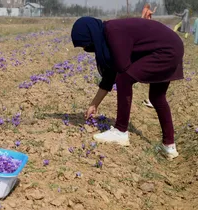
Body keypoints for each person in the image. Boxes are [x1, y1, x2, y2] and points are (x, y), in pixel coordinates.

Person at [71, 17, 184, 160]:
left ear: (91, 35)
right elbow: (109, 75)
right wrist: (94, 104)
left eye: (86, 44)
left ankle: (120, 131)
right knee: (157, 97)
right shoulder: (108, 32)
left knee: (124, 77)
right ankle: (169, 146)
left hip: (166, 50)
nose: (87, 49)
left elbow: (120, 70)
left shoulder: (112, 31)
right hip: (172, 46)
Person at [141, 3, 157, 108]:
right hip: (149, 26)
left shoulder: (143, 10)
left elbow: (142, 17)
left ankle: (153, 100)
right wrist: (155, 9)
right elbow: (151, 13)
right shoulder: (148, 11)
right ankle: (153, 100)